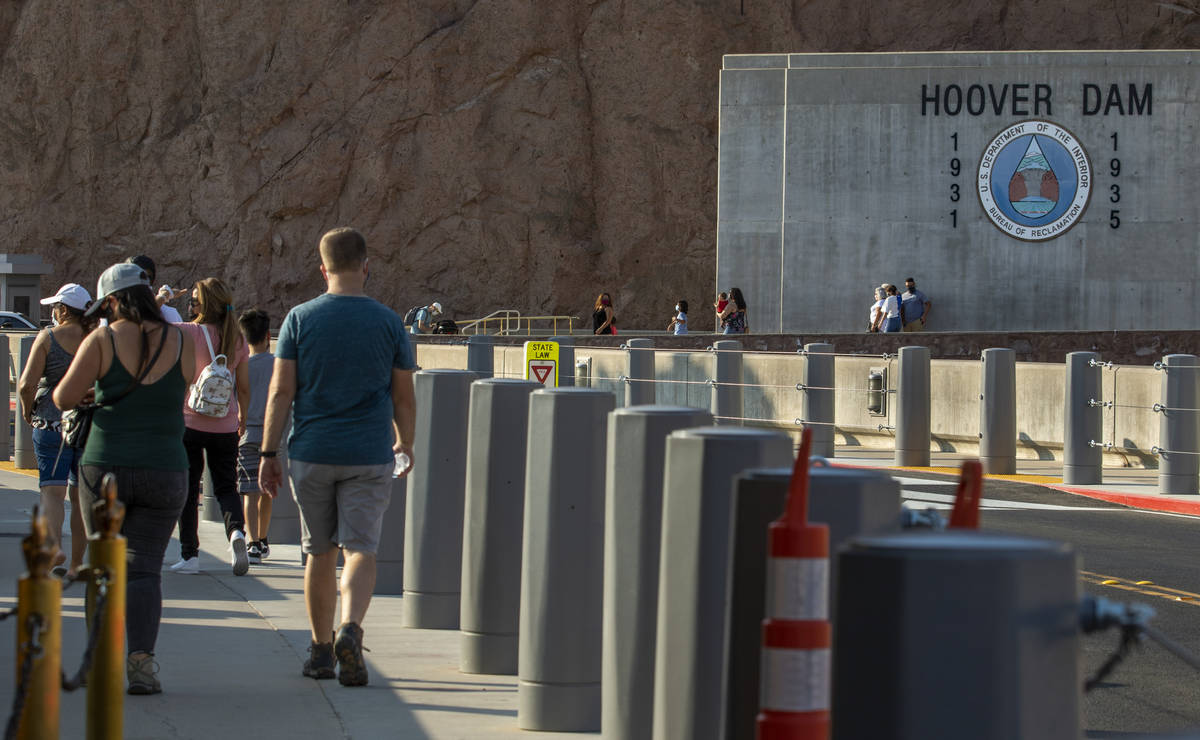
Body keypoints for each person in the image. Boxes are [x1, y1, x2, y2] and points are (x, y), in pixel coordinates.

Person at [259, 227, 416, 687]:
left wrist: (268, 451)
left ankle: (321, 651)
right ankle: (351, 626)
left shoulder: (299, 319)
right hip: (369, 452)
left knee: (319, 551)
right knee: (361, 548)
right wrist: (405, 442)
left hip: (311, 452)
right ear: (366, 266)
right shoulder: (389, 322)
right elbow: (403, 396)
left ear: (322, 268)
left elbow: (280, 391)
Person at [53, 262, 197, 695]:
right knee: (144, 570)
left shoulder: (102, 338)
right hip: (166, 467)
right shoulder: (181, 338)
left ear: (113, 301)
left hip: (105, 467)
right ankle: (141, 665)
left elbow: (62, 396)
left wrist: (95, 390)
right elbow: (185, 390)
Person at [168, 278, 251, 576]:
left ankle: (190, 556)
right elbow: (243, 387)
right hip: (225, 424)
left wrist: (163, 297)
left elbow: (146, 323)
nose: (190, 306)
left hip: (190, 421)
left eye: (194, 301)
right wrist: (241, 418)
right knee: (227, 486)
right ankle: (237, 534)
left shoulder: (189, 331)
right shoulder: (238, 339)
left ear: (206, 305)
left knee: (188, 490)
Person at [18, 283, 96, 578]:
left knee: (52, 491)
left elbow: (26, 385)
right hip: (88, 425)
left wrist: (28, 411)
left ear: (63, 310)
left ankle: (54, 546)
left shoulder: (48, 337)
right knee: (80, 497)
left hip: (52, 424)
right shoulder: (96, 337)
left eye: (55, 307)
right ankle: (77, 563)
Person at [237, 309, 275, 563]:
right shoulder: (278, 364)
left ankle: (251, 542)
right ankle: (262, 538)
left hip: (246, 433)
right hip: (272, 435)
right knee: (267, 490)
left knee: (249, 491)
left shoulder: (240, 366)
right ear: (268, 336)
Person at [127, 255, 184, 323]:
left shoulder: (170, 314)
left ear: (153, 280)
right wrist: (164, 295)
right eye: (135, 277)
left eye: (145, 277)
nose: (141, 282)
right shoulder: (118, 310)